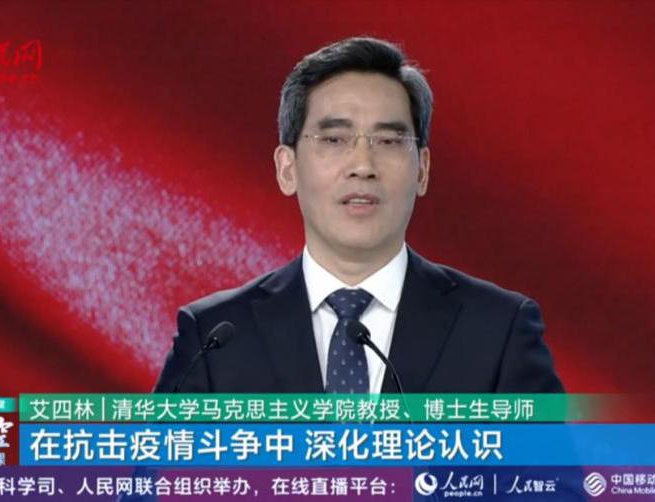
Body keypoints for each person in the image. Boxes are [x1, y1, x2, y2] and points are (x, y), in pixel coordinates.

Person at [153, 36, 563, 395]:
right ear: (287, 169)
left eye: (388, 141)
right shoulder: (215, 336)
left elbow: (548, 466)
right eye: (335, 139)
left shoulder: (498, 330)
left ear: (422, 170)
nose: (363, 165)